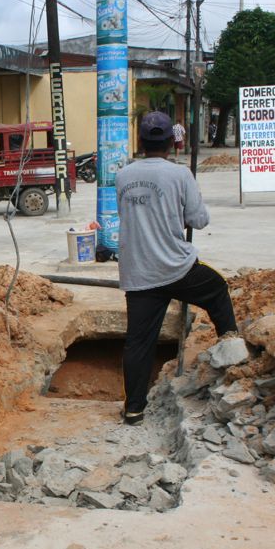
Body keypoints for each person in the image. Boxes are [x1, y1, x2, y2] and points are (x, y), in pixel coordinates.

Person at [116, 111, 238, 426]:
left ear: (140, 142)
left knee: (139, 342)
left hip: (138, 273)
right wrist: (178, 214)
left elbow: (132, 216)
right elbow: (199, 220)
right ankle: (234, 354)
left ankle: (133, 409)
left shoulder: (123, 175)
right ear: (172, 142)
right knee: (218, 289)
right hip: (175, 267)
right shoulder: (180, 175)